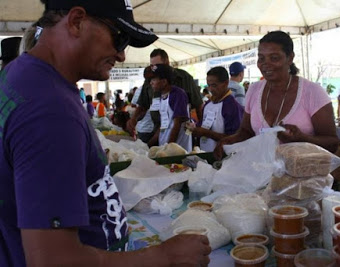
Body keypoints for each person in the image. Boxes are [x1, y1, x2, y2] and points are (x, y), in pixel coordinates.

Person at [0, 1, 210, 266]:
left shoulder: (22, 76)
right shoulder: (50, 109)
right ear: (76, 21)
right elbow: (54, 260)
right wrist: (163, 256)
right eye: (119, 39)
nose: (122, 55)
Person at [214, 31, 339, 159]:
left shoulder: (312, 92)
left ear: (290, 58)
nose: (265, 64)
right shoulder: (254, 90)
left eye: (274, 58)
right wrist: (230, 141)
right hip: (261, 174)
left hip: (303, 175)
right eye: (261, 58)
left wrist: (302, 139)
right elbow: (246, 131)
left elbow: (333, 143)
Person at [126, 48, 203, 136]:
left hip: (182, 133)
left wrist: (202, 129)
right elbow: (143, 104)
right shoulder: (149, 80)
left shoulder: (184, 78)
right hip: (158, 131)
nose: (154, 69)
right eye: (152, 66)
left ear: (167, 63)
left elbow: (198, 105)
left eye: (157, 65)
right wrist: (133, 119)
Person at [188, 66, 244, 152]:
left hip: (224, 156)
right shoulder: (208, 104)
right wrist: (194, 128)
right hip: (204, 152)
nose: (210, 89)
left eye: (214, 85)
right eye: (209, 85)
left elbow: (235, 139)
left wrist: (207, 133)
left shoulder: (232, 106)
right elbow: (202, 125)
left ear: (225, 83)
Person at [147, 64, 192, 151]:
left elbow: (177, 124)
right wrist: (148, 145)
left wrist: (169, 147)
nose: (151, 83)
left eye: (154, 79)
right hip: (165, 146)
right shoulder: (162, 96)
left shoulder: (178, 94)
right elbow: (163, 125)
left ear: (164, 82)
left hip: (178, 148)